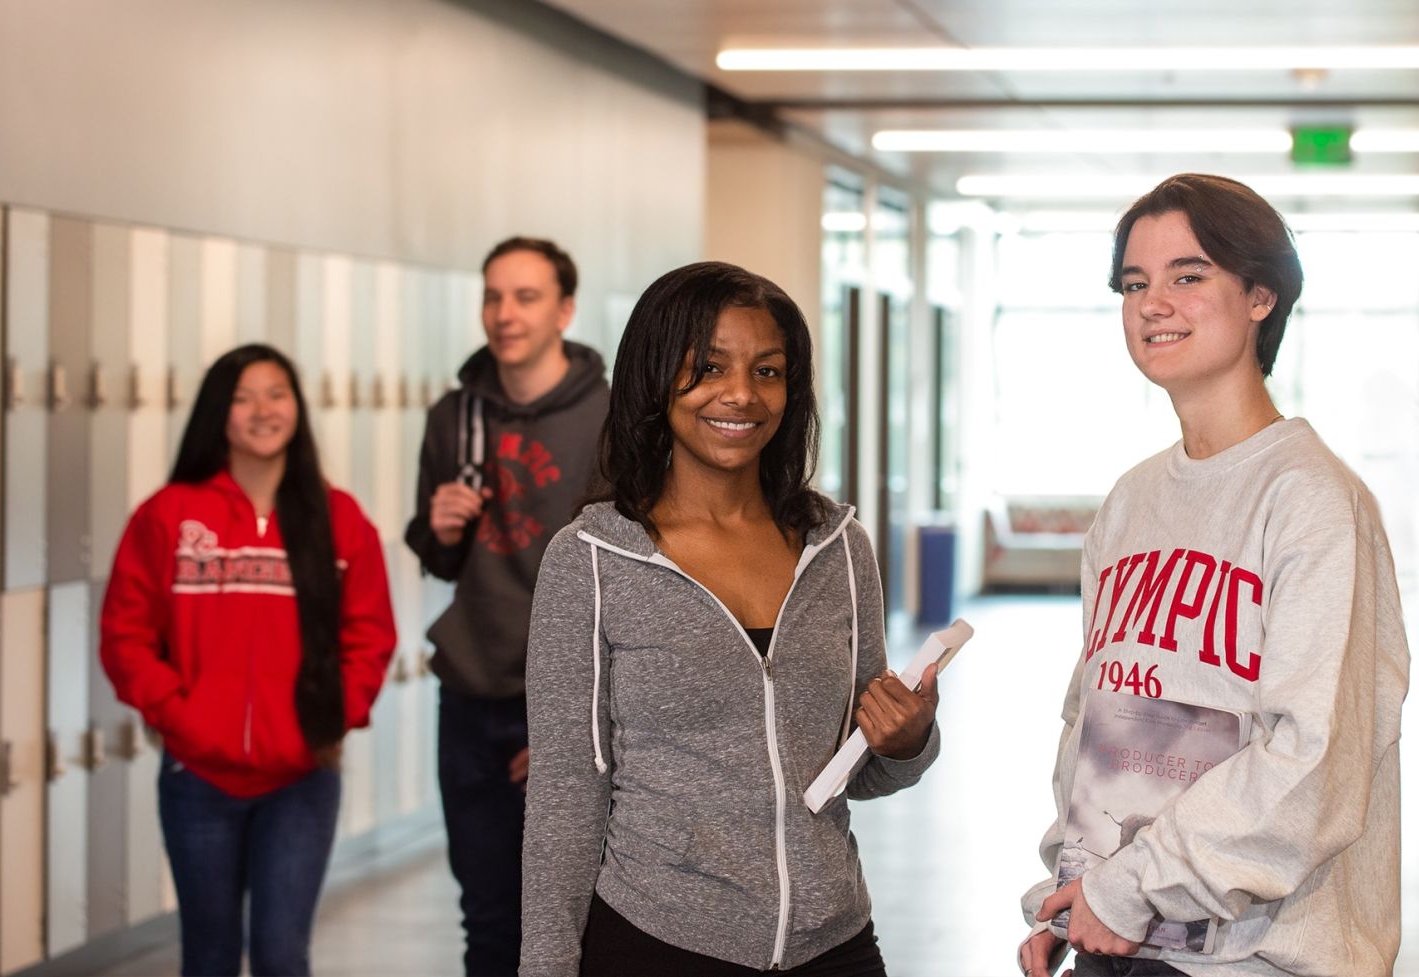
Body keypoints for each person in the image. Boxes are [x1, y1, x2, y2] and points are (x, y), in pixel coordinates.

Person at [1017, 174, 1410, 977]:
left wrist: (1126, 889)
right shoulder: (1131, 500)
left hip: (1251, 958)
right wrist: (1076, 887)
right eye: (1135, 284)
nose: (1153, 303)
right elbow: (1093, 716)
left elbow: (1313, 760)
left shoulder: (1313, 498)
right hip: (1122, 934)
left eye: (1187, 277)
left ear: (1261, 294)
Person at [519, 261, 941, 977]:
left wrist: (908, 740)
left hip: (833, 943)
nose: (741, 394)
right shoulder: (591, 558)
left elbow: (853, 772)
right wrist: (547, 965)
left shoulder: (837, 549)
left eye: (768, 371)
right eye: (708, 367)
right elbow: (565, 800)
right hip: (660, 940)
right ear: (657, 377)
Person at [99, 343, 397, 977]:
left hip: (302, 778)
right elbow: (125, 636)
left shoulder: (337, 519)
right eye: (243, 396)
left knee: (281, 956)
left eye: (277, 393)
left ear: (297, 407)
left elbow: (370, 637)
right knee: (207, 957)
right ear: (219, 414)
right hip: (198, 778)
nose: (263, 409)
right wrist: (181, 716)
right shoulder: (170, 516)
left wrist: (327, 720)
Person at [405, 236, 608, 976]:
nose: (504, 313)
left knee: (563, 922)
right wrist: (441, 527)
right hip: (469, 692)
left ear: (564, 309)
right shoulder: (455, 416)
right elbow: (438, 556)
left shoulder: (610, 420)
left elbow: (626, 580)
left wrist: (573, 720)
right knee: (485, 915)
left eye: (525, 297)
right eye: (493, 296)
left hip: (560, 699)